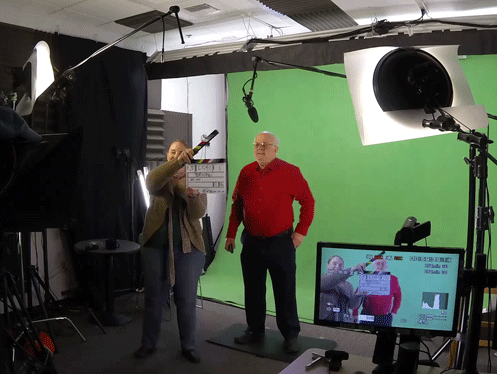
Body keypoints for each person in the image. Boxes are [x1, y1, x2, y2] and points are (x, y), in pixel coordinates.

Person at [225, 131, 315, 354]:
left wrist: (301, 232)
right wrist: (230, 234)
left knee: (285, 291)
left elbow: (308, 202)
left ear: (276, 149)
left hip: (281, 243)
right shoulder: (246, 172)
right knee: (253, 290)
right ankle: (255, 330)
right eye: (256, 144)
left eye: (265, 144)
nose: (260, 148)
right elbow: (237, 206)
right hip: (252, 242)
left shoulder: (290, 172)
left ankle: (290, 335)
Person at [134, 140, 207, 363]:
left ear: (189, 155)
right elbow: (151, 183)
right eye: (172, 152)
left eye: (180, 152)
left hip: (190, 248)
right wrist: (176, 166)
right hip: (156, 246)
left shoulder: (198, 176)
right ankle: (148, 343)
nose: (175, 155)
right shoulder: (161, 175)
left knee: (186, 299)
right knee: (154, 297)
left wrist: (192, 196)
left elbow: (198, 213)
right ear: (168, 155)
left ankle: (189, 346)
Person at [356, 257, 402, 327]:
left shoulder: (393, 279)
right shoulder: (367, 277)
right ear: (373, 266)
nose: (381, 266)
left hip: (385, 317)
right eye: (378, 264)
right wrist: (354, 313)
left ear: (386, 265)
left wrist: (394, 312)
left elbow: (398, 297)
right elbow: (357, 296)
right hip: (367, 315)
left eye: (383, 264)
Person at [319, 255, 366, 322]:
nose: (337, 266)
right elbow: (333, 279)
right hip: (324, 321)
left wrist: (358, 296)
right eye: (334, 264)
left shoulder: (348, 285)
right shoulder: (321, 279)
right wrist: (351, 270)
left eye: (340, 265)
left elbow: (351, 305)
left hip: (343, 321)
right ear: (327, 265)